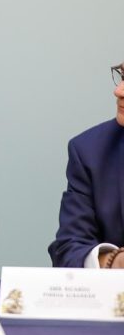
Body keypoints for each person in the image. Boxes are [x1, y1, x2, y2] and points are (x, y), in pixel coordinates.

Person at [48, 62, 124, 268]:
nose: (118, 91)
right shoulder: (90, 152)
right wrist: (114, 262)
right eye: (123, 76)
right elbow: (68, 249)